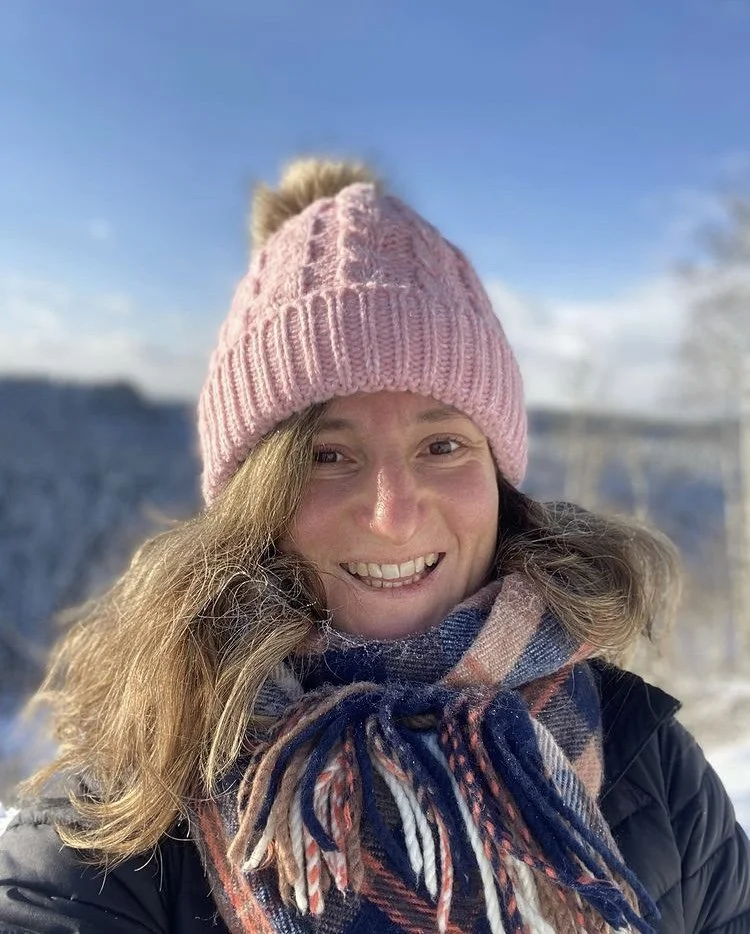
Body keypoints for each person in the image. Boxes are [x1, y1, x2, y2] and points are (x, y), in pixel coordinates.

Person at [0, 158, 748, 934]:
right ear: (255, 500)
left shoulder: (649, 765)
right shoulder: (122, 811)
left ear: (499, 477)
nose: (393, 516)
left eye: (443, 446)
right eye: (329, 455)